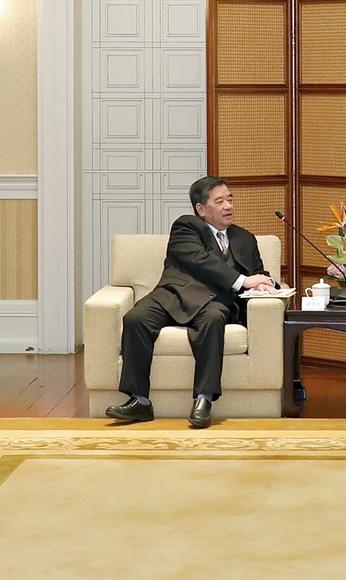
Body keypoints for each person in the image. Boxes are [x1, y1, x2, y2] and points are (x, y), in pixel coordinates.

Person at [107, 176, 274, 430]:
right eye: (220, 201)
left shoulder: (245, 238)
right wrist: (243, 281)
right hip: (173, 294)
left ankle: (203, 401)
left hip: (214, 301)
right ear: (201, 209)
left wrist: (265, 284)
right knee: (135, 318)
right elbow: (199, 260)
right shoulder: (187, 226)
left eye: (230, 199)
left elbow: (259, 273)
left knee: (214, 320)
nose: (228, 206)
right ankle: (139, 401)